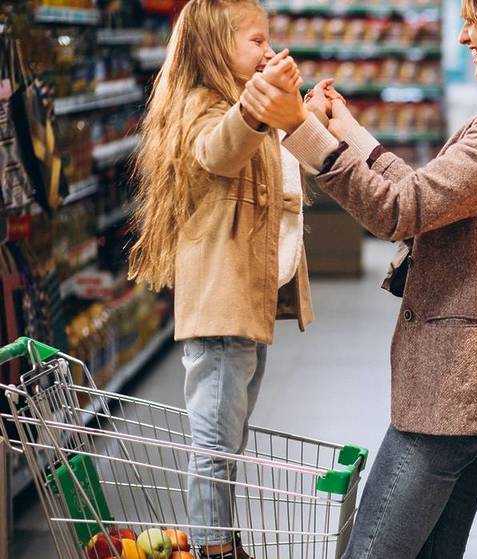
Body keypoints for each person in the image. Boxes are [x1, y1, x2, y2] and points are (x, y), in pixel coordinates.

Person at [240, 0, 477, 555]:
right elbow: (428, 199)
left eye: (474, 21)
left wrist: (299, 129)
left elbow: (399, 211)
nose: (462, 36)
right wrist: (347, 132)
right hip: (472, 382)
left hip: (452, 385)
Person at [126, 1, 315, 557]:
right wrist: (261, 101)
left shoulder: (239, 102)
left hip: (246, 304)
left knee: (229, 438)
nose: (268, 49)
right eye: (256, 40)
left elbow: (274, 165)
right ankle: (212, 549)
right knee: (213, 442)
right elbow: (220, 148)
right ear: (215, 45)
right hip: (220, 304)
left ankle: (220, 540)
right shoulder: (201, 108)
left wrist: (310, 114)